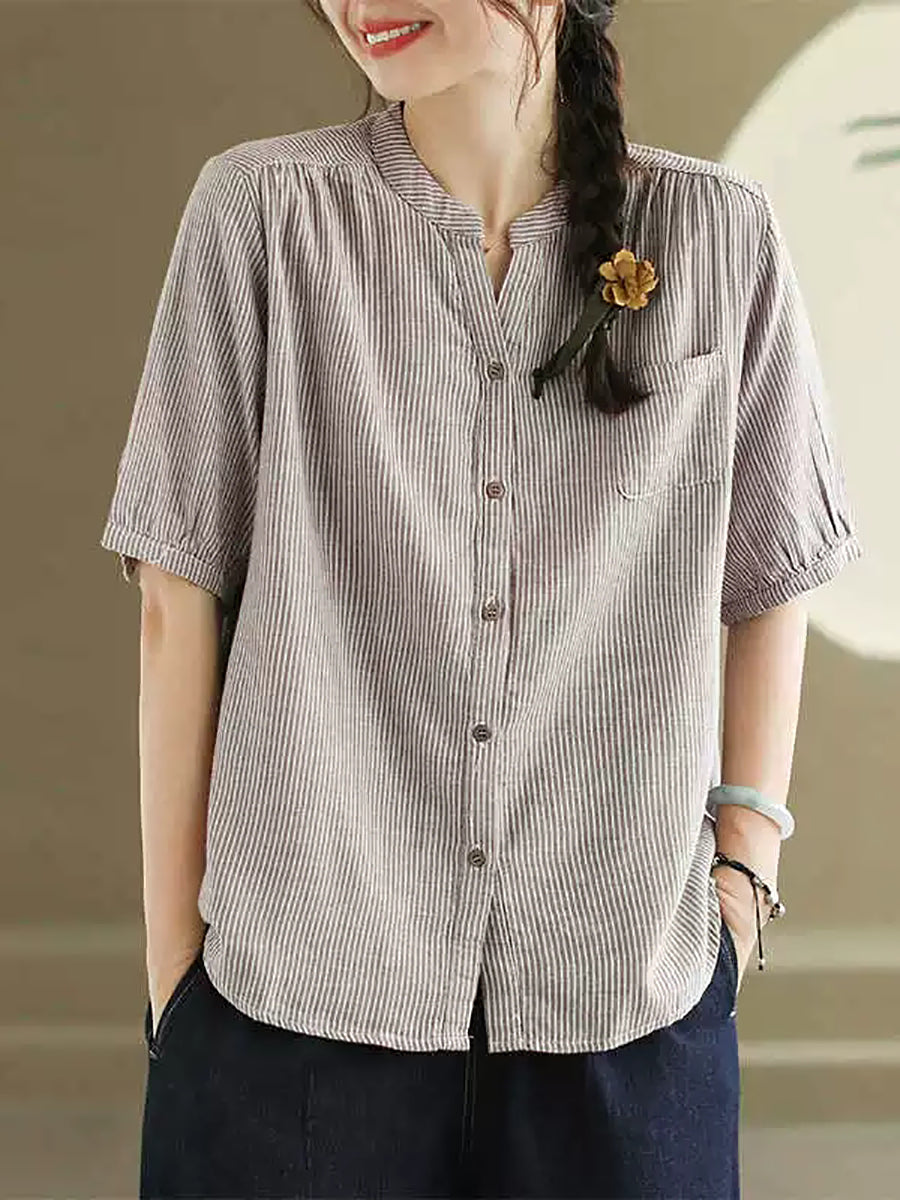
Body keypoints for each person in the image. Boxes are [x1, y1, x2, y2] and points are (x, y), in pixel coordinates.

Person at [98, 1, 863, 1197]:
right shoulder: (263, 212)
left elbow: (773, 571)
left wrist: (741, 880)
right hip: (288, 1007)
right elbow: (174, 595)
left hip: (628, 1003)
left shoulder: (720, 233)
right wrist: (176, 980)